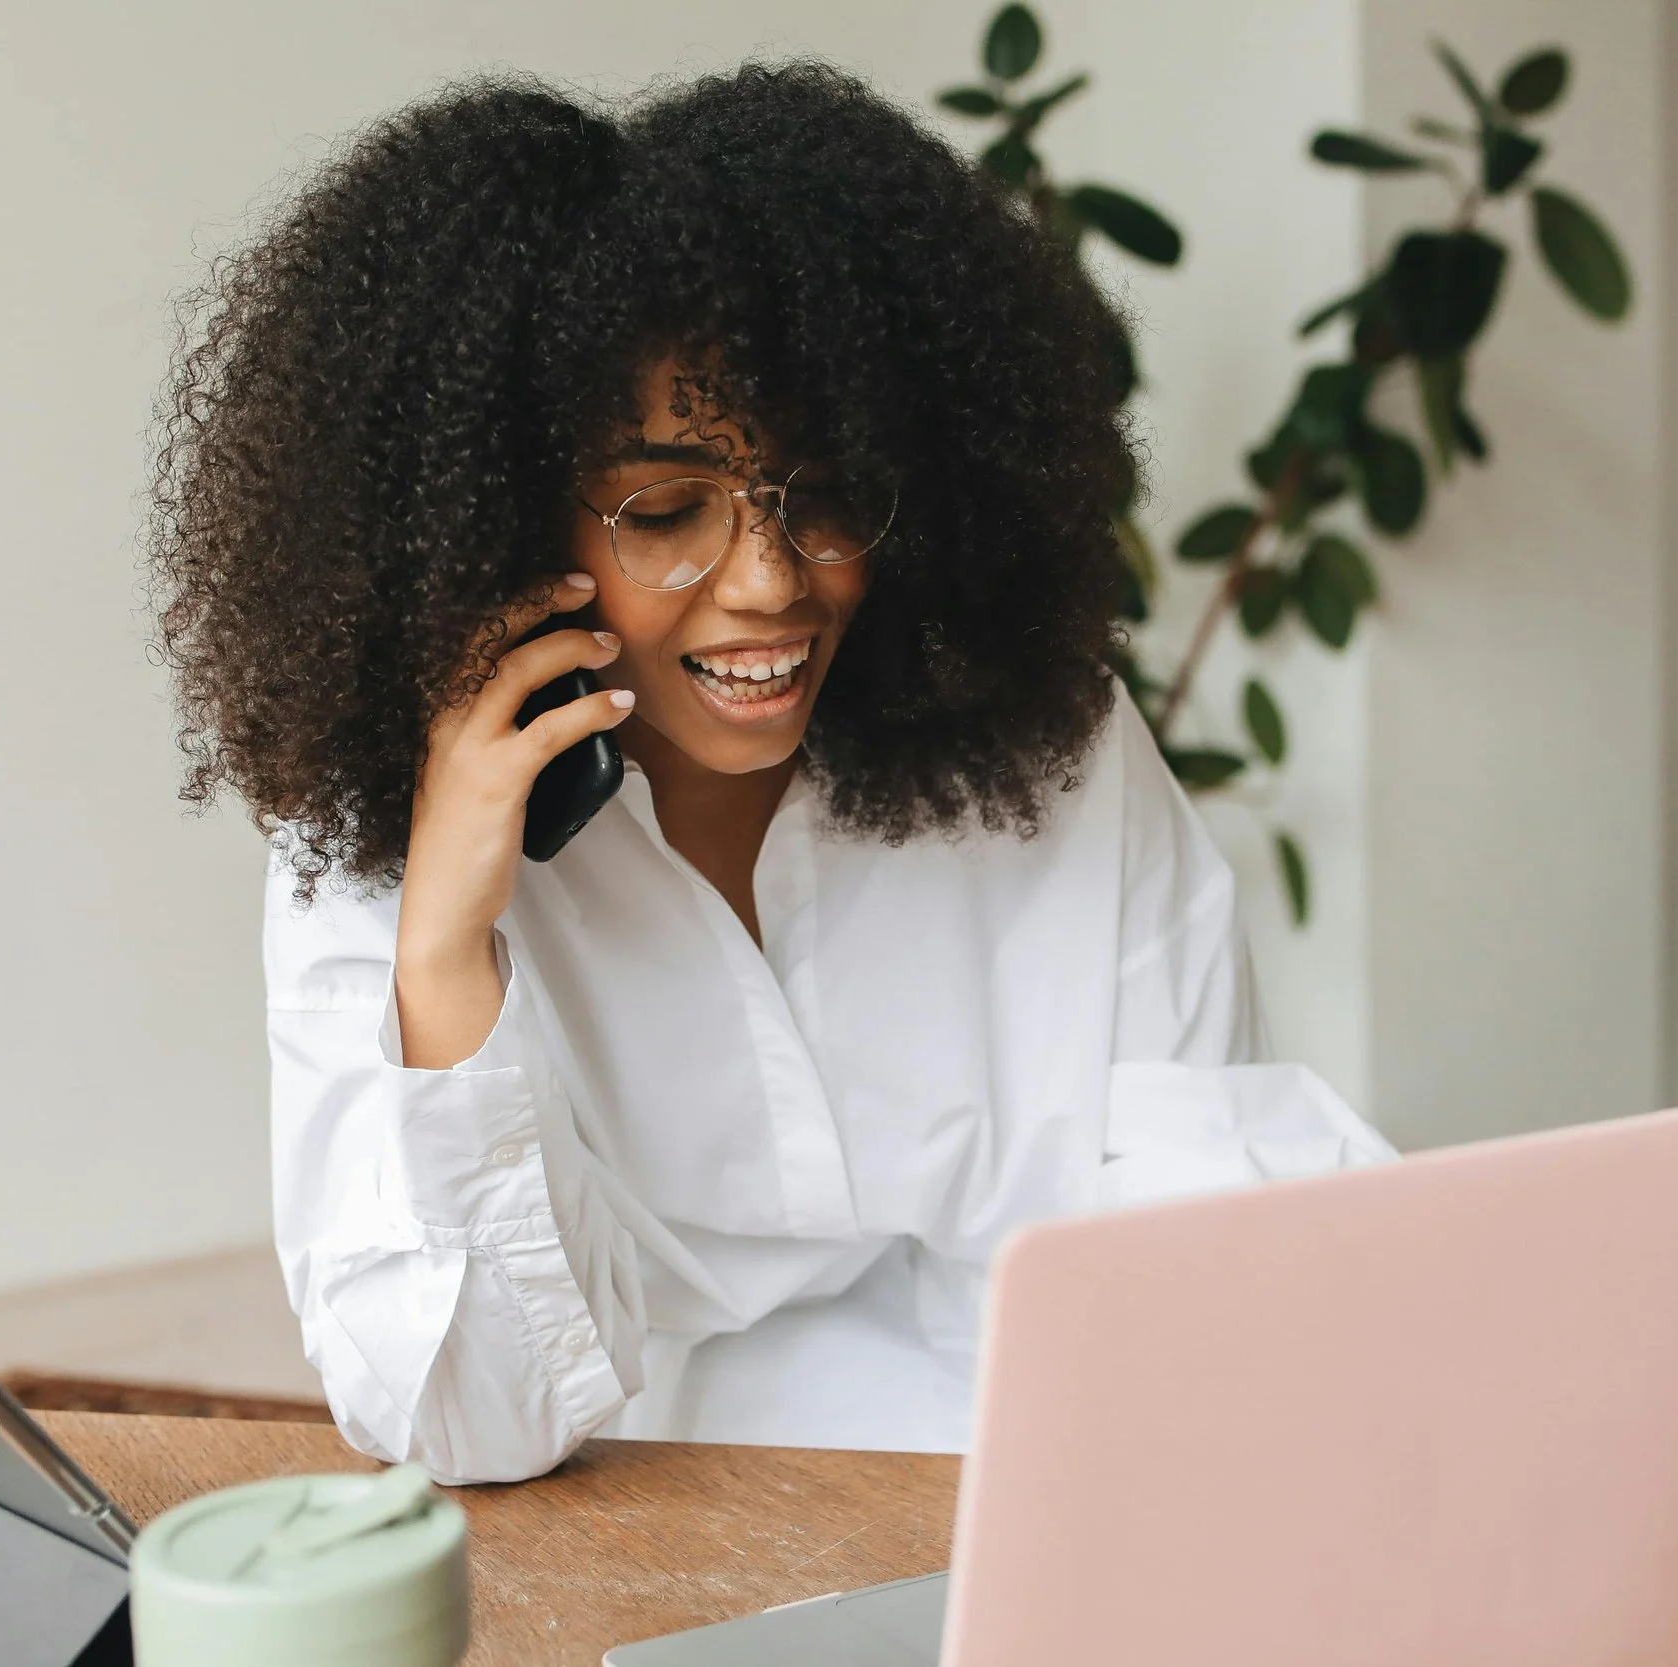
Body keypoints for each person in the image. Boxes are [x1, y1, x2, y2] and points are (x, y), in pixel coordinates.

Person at [147, 62, 1390, 1487]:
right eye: (665, 509)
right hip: (618, 1519)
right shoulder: (396, 831)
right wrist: (443, 959)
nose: (769, 582)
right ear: (492, 522)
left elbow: (1192, 1268)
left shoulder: (1047, 746)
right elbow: (469, 1427)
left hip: (1034, 1494)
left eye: (829, 493)